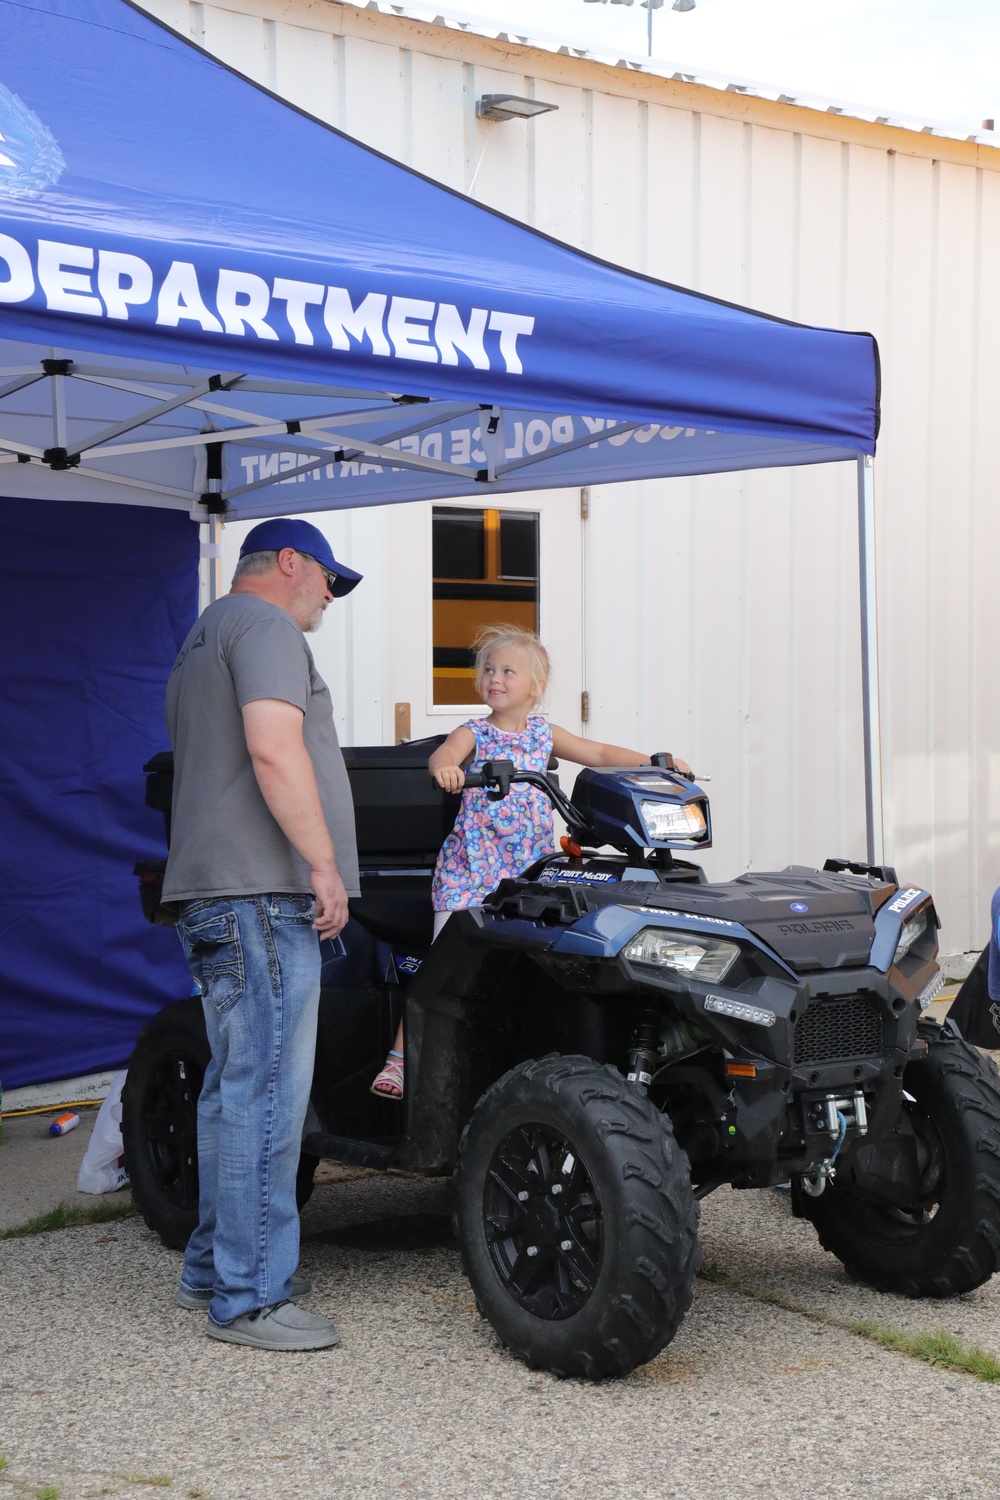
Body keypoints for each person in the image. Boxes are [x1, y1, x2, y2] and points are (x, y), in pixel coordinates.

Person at [163, 517, 362, 1351]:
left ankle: (216, 1263)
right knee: (268, 1090)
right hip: (260, 893)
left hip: (214, 894)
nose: (329, 600)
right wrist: (322, 864)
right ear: (290, 564)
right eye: (326, 581)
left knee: (229, 1088)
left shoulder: (204, 633)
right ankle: (250, 1297)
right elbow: (275, 751)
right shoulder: (268, 625)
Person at [371, 623, 683, 1098]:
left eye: (508, 671)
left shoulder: (542, 733)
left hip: (527, 872)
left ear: (535, 687)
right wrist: (449, 770)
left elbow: (597, 752)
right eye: (488, 670)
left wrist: (654, 763)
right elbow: (442, 756)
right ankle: (399, 1058)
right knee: (442, 963)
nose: (494, 678)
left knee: (531, 966)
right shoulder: (473, 731)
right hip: (472, 870)